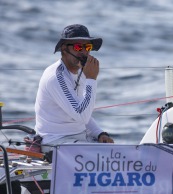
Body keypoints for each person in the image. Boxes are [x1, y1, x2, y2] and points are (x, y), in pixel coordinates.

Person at [35, 24, 114, 152]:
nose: (84, 52)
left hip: (79, 139)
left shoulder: (82, 73)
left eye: (87, 47)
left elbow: (84, 114)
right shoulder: (56, 77)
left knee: (115, 151)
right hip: (56, 142)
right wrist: (91, 80)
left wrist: (99, 133)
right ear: (64, 49)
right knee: (108, 155)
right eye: (78, 47)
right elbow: (81, 115)